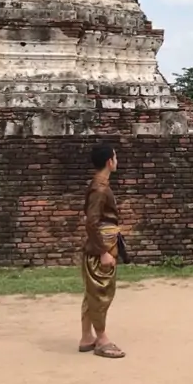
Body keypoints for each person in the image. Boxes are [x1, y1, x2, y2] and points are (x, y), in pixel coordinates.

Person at [78, 142, 125, 358]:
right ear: (109, 161)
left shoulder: (99, 184)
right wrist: (103, 251)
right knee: (101, 292)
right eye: (115, 157)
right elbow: (91, 222)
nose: (117, 161)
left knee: (92, 292)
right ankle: (102, 339)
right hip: (102, 246)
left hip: (103, 242)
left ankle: (87, 337)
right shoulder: (100, 188)